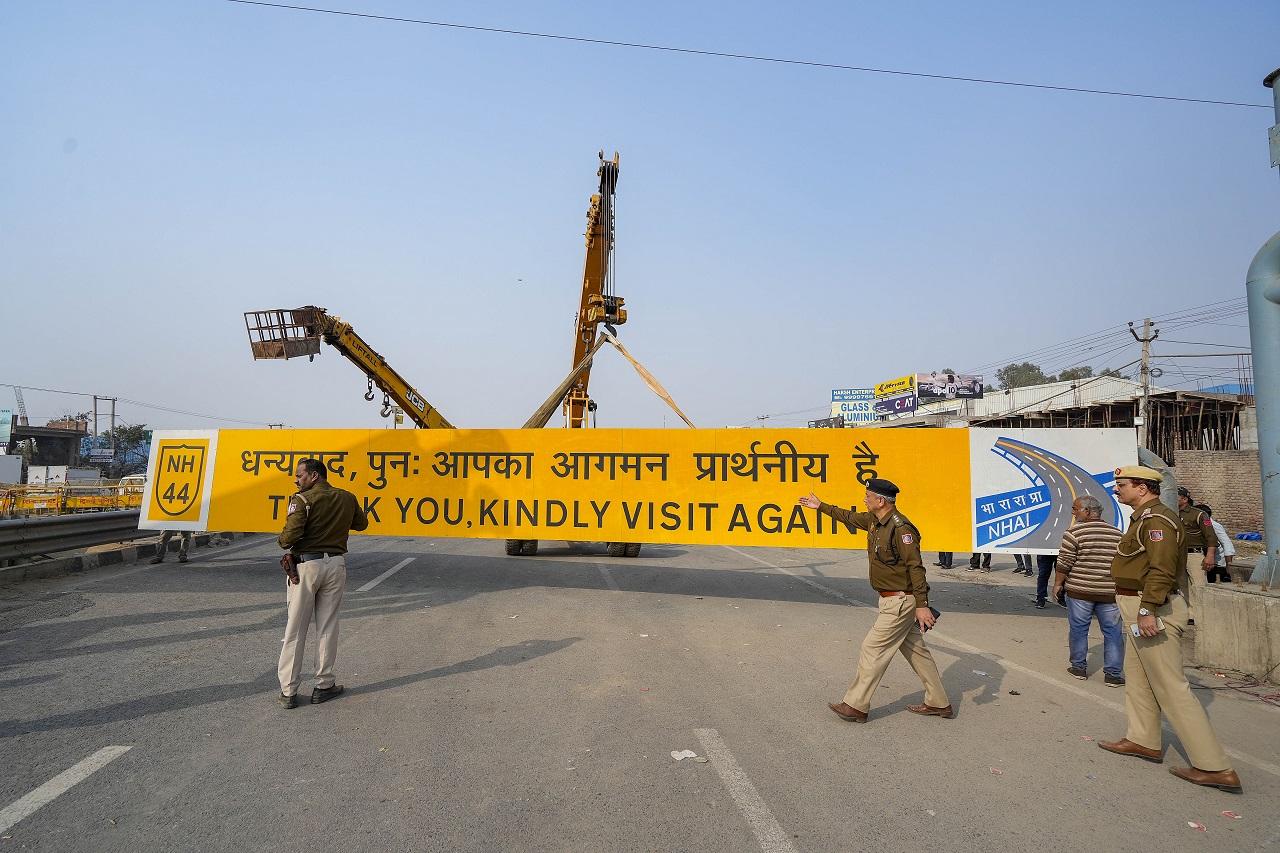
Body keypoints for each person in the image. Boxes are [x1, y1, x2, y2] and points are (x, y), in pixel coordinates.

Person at [1097, 465, 1241, 793]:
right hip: (1137, 605)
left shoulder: (1157, 521)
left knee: (1172, 688)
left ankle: (1215, 766)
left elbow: (1160, 569)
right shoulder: (1143, 518)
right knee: (1139, 679)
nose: (1117, 490)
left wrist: (1147, 609)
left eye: (1122, 485)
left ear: (1142, 488)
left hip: (1152, 607)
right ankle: (1143, 739)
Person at [798, 480, 952, 723]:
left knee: (872, 648)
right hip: (892, 600)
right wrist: (821, 506)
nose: (864, 499)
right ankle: (939, 702)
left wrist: (922, 605)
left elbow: (916, 567)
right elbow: (848, 517)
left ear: (880, 501)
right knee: (917, 652)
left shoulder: (901, 529)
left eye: (868, 496)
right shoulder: (874, 520)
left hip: (900, 602)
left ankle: (856, 705)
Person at [276, 457, 369, 710]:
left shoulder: (302, 500)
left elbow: (288, 538)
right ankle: (324, 685)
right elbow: (361, 524)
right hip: (335, 565)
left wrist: (282, 539)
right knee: (327, 626)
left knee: (296, 628)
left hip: (306, 567)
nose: (297, 481)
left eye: (300, 476)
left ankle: (289, 691)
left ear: (314, 475)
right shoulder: (347, 497)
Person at [1053, 496, 1124, 686]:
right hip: (1109, 592)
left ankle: (1078, 667)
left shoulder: (1073, 533)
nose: (1073, 513)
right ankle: (1113, 674)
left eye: (1075, 509)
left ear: (1087, 511)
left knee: (1079, 629)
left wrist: (1058, 584)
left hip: (1080, 592)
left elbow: (1064, 562)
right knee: (1113, 632)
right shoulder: (1117, 534)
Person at [1175, 487, 1216, 620]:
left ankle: (1202, 614)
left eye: (1176, 496)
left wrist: (1210, 556)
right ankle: (1190, 615)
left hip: (1194, 554)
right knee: (1182, 585)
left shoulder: (1199, 514)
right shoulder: (1172, 513)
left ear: (1184, 499)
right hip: (1178, 555)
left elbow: (1211, 536)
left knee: (1198, 585)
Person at [1195, 503, 1235, 584]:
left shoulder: (1214, 526)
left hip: (1217, 565)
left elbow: (1227, 545)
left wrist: (1228, 567)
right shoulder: (1198, 526)